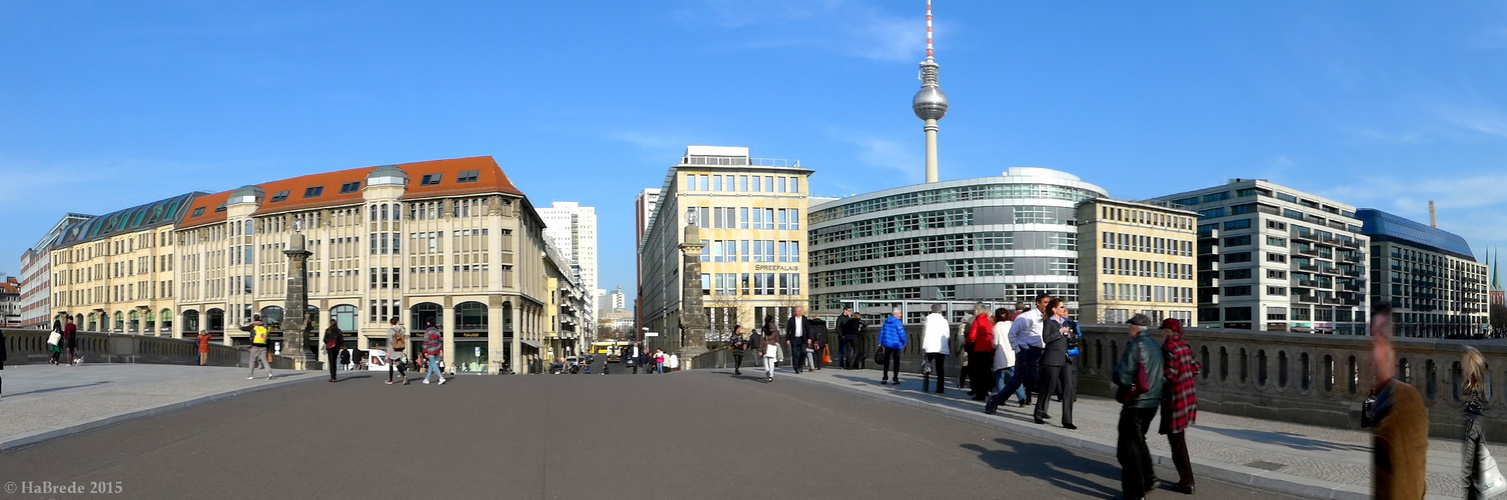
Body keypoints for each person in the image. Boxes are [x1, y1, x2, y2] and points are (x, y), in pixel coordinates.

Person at [1366, 304, 1426, 499]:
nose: (1370, 359)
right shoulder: (1388, 403)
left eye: (1378, 343)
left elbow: (1410, 487)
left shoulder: (1404, 406)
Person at [1114, 314, 1165, 500]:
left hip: (1136, 402)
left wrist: (1116, 374)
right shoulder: (1154, 345)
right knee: (1139, 441)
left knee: (1129, 449)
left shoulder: (1136, 346)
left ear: (1135, 328)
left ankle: (1135, 493)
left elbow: (1123, 376)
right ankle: (1149, 477)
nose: (1129, 331)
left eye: (1130, 327)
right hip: (1152, 402)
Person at [985, 294, 1051, 414]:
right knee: (1019, 380)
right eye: (1045, 302)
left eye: (1049, 302)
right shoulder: (1026, 317)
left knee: (1043, 380)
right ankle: (995, 400)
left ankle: (1040, 410)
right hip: (1027, 352)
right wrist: (1019, 350)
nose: (1048, 305)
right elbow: (1012, 334)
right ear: (1038, 303)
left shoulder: (1048, 317)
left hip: (1042, 352)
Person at [1159, 318, 1199, 495]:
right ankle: (1186, 480)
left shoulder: (1169, 348)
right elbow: (1195, 367)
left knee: (1176, 442)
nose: (1161, 333)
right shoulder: (1184, 345)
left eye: (1163, 330)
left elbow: (1170, 374)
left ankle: (1187, 482)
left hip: (1174, 399)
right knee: (1178, 440)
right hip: (1187, 397)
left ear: (1169, 331)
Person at [1034, 299, 1076, 429]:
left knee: (1068, 389)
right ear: (1054, 309)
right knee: (1048, 388)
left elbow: (1073, 339)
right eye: (1061, 307)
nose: (1064, 309)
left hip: (1066, 359)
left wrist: (1070, 336)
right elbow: (1046, 339)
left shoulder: (1066, 322)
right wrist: (1060, 332)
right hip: (1052, 359)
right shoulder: (1049, 322)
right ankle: (1039, 413)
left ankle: (1067, 420)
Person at [1462, 345, 1494, 500]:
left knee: (1471, 474)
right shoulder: (1480, 398)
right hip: (1477, 421)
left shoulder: (1468, 398)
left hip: (1471, 422)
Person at [989, 307, 1025, 404]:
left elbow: (995, 343)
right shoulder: (1011, 324)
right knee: (1015, 377)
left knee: (1000, 378)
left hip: (1000, 355)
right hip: (1012, 354)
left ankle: (1001, 398)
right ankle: (1022, 397)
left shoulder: (996, 327)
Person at [966, 303, 996, 401]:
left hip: (979, 348)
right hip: (989, 348)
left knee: (978, 372)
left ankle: (980, 394)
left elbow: (972, 336)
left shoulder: (977, 321)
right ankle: (988, 389)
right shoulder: (990, 321)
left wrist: (967, 342)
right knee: (987, 370)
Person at [920, 303, 951, 394]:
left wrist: (923, 346)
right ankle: (940, 388)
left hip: (929, 346)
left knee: (927, 366)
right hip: (941, 347)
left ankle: (926, 386)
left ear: (932, 309)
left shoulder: (928, 319)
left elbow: (923, 334)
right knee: (940, 368)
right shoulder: (944, 320)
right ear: (940, 310)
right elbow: (947, 335)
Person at [878, 307, 907, 386]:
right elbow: (901, 333)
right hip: (896, 344)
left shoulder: (887, 322)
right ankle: (895, 378)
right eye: (900, 313)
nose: (901, 315)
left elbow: (882, 332)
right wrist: (904, 342)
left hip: (887, 344)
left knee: (886, 361)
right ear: (896, 314)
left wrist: (880, 341)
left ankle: (884, 377)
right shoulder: (898, 323)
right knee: (896, 361)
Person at [243, 315, 274, 380]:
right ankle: (269, 373)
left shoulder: (253, 326)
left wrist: (239, 326)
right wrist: (268, 348)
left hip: (255, 346)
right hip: (263, 346)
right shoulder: (264, 327)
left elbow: (243, 329)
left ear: (254, 319)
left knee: (252, 360)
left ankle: (250, 375)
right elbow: (268, 338)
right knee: (265, 360)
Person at [785, 307, 812, 374]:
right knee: (795, 354)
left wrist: (809, 338)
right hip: (794, 339)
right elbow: (788, 330)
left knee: (803, 352)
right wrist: (787, 339)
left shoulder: (804, 319)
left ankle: (800, 365)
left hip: (802, 338)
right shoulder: (791, 320)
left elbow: (808, 329)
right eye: (797, 311)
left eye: (800, 311)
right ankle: (796, 368)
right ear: (795, 312)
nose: (799, 312)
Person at [422, 319, 446, 385]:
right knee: (431, 364)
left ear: (428, 322)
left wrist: (425, 351)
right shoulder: (437, 331)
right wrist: (441, 350)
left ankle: (441, 377)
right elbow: (439, 341)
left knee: (433, 363)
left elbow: (425, 341)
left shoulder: (427, 331)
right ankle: (427, 378)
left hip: (430, 349)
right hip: (436, 348)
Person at [387, 318, 409, 385]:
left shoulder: (391, 331)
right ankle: (404, 375)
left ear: (391, 323)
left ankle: (390, 380)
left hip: (392, 349)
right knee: (397, 364)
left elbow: (390, 341)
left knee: (390, 364)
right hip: (399, 349)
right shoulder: (400, 330)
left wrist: (388, 351)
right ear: (397, 323)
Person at [760, 316, 780, 382]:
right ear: (772, 320)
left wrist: (760, 350)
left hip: (765, 345)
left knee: (765, 360)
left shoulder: (764, 329)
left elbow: (762, 339)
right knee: (771, 361)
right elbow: (777, 339)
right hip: (772, 346)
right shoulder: (775, 328)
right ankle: (771, 375)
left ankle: (767, 371)